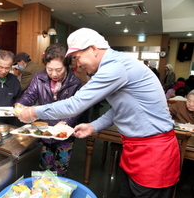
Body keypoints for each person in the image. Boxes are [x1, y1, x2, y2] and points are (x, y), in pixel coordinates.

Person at [15, 28, 180, 197]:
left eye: (78, 57)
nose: (77, 64)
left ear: (93, 49)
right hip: (133, 149)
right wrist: (93, 126)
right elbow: (119, 109)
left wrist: (34, 111)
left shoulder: (115, 67)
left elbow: (75, 104)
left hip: (153, 153)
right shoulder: (114, 65)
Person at [15, 44, 82, 176]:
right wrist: (20, 104)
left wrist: (65, 122)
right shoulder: (39, 77)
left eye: (59, 70)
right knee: (44, 167)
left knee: (61, 168)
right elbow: (30, 95)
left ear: (67, 65)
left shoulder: (75, 82)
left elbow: (78, 108)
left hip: (64, 133)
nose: (54, 74)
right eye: (49, 69)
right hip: (44, 130)